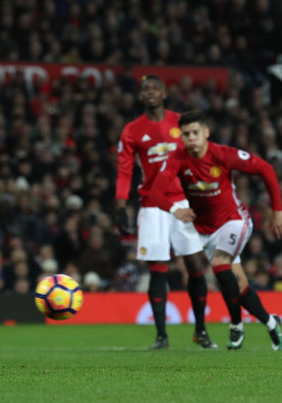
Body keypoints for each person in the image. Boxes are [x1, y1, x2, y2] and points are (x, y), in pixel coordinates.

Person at [150, 111, 282, 351]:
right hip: (206, 231)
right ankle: (270, 322)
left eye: (195, 132)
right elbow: (155, 193)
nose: (191, 138)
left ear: (205, 133)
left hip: (234, 220)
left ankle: (236, 325)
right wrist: (174, 209)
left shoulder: (223, 154)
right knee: (237, 284)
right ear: (181, 137)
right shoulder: (178, 159)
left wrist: (277, 210)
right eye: (186, 134)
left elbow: (266, 169)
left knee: (220, 266)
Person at [115, 75, 217, 350]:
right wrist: (121, 206)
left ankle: (201, 330)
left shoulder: (181, 124)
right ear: (140, 96)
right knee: (158, 269)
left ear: (163, 93)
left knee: (195, 265)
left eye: (154, 89)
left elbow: (200, 156)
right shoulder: (132, 130)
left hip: (184, 202)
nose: (149, 93)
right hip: (152, 204)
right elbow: (125, 170)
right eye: (144, 89)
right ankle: (161, 336)